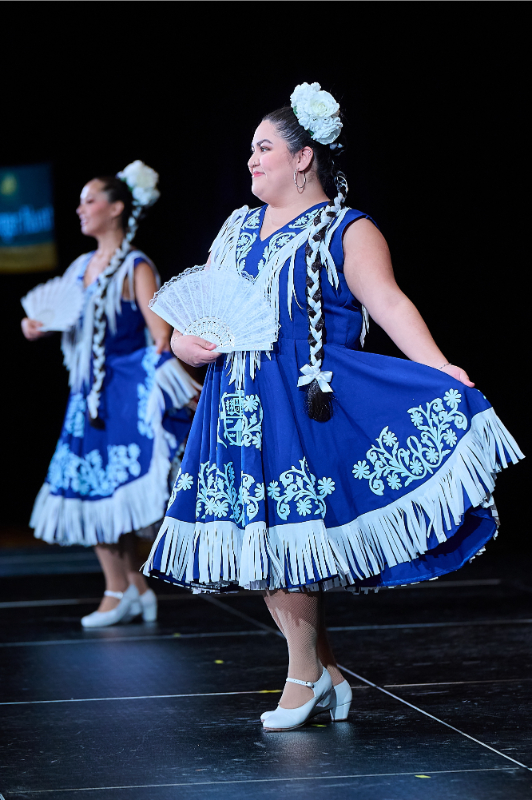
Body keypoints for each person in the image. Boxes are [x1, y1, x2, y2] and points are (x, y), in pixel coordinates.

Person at [143, 84, 523, 731]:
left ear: (304, 157)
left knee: (289, 539)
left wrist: (438, 368)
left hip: (305, 403)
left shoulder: (348, 230)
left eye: (264, 149)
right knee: (262, 542)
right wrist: (185, 342)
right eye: (250, 151)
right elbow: (200, 302)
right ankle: (326, 674)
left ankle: (304, 677)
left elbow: (390, 305)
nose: (252, 162)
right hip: (238, 403)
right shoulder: (236, 228)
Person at [22, 161, 200, 628]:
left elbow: (158, 334)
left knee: (117, 487)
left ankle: (120, 590)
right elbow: (65, 319)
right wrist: (36, 325)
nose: (81, 209)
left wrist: (172, 385)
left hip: (125, 394)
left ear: (117, 207)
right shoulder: (82, 267)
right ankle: (131, 590)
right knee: (91, 485)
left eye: (90, 200)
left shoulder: (136, 266)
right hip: (89, 396)